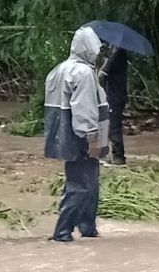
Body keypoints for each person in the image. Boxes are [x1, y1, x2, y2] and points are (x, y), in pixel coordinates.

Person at [44, 26, 110, 242]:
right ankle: (62, 231)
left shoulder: (58, 70)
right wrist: (92, 138)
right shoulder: (82, 73)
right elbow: (85, 109)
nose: (98, 53)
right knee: (82, 185)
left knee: (88, 182)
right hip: (81, 137)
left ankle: (87, 227)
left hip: (65, 137)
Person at [101, 45, 128, 165]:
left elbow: (102, 75)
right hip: (116, 95)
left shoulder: (118, 55)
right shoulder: (119, 54)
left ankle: (118, 156)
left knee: (114, 126)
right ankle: (111, 154)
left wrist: (106, 60)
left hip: (115, 96)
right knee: (110, 124)